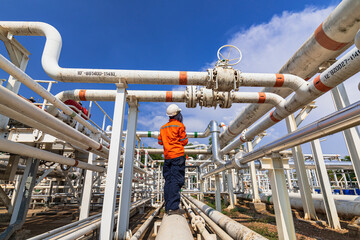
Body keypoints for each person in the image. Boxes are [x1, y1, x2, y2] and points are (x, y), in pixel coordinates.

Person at [158, 104, 188, 215]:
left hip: (167, 157)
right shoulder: (180, 125)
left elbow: (160, 142)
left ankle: (168, 207)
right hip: (178, 156)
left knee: (169, 181)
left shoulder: (163, 127)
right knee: (177, 180)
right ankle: (174, 208)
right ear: (178, 114)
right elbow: (184, 141)